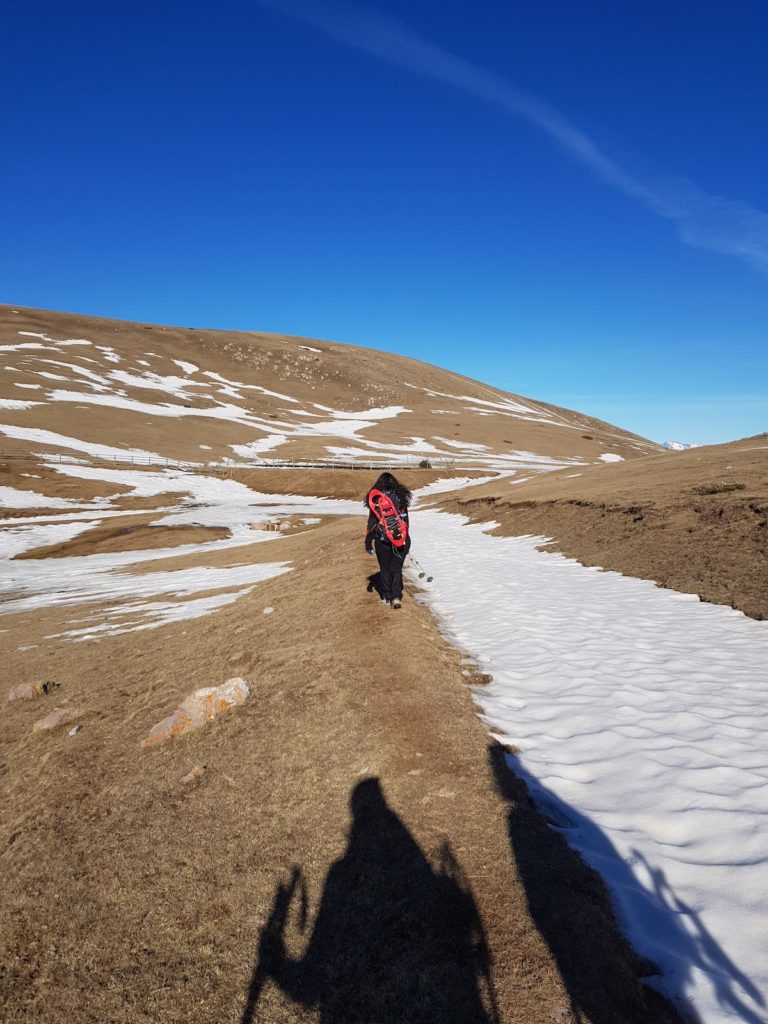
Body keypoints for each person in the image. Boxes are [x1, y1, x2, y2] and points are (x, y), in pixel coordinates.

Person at [364, 471, 412, 609]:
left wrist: (368, 542)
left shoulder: (375, 500)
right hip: (400, 539)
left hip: (382, 539)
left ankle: (386, 596)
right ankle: (396, 597)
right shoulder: (401, 498)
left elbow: (372, 523)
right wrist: (404, 538)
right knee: (396, 568)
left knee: (384, 568)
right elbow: (406, 521)